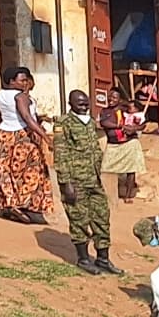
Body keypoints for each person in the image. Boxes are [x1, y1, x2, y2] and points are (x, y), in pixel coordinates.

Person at [54, 90, 115, 275]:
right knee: (79, 219)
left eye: (86, 103)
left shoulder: (90, 123)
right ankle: (83, 259)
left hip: (93, 180)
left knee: (101, 218)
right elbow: (60, 154)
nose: (84, 107)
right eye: (80, 103)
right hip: (75, 181)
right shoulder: (64, 123)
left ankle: (103, 259)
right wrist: (66, 184)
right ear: (71, 103)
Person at [0, 67, 52, 224]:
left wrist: (5, 132)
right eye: (22, 80)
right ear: (12, 81)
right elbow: (27, 118)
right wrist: (45, 137)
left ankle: (10, 204)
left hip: (4, 135)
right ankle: (27, 206)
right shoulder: (21, 97)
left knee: (5, 171)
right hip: (23, 138)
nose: (25, 83)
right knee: (31, 171)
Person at [103, 94, 148, 202]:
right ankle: (107, 193)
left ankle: (128, 196)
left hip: (130, 142)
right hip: (113, 144)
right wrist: (121, 126)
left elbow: (143, 124)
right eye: (111, 97)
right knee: (106, 167)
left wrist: (135, 128)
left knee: (131, 170)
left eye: (115, 97)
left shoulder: (131, 113)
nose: (111, 100)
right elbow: (104, 123)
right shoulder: (106, 111)